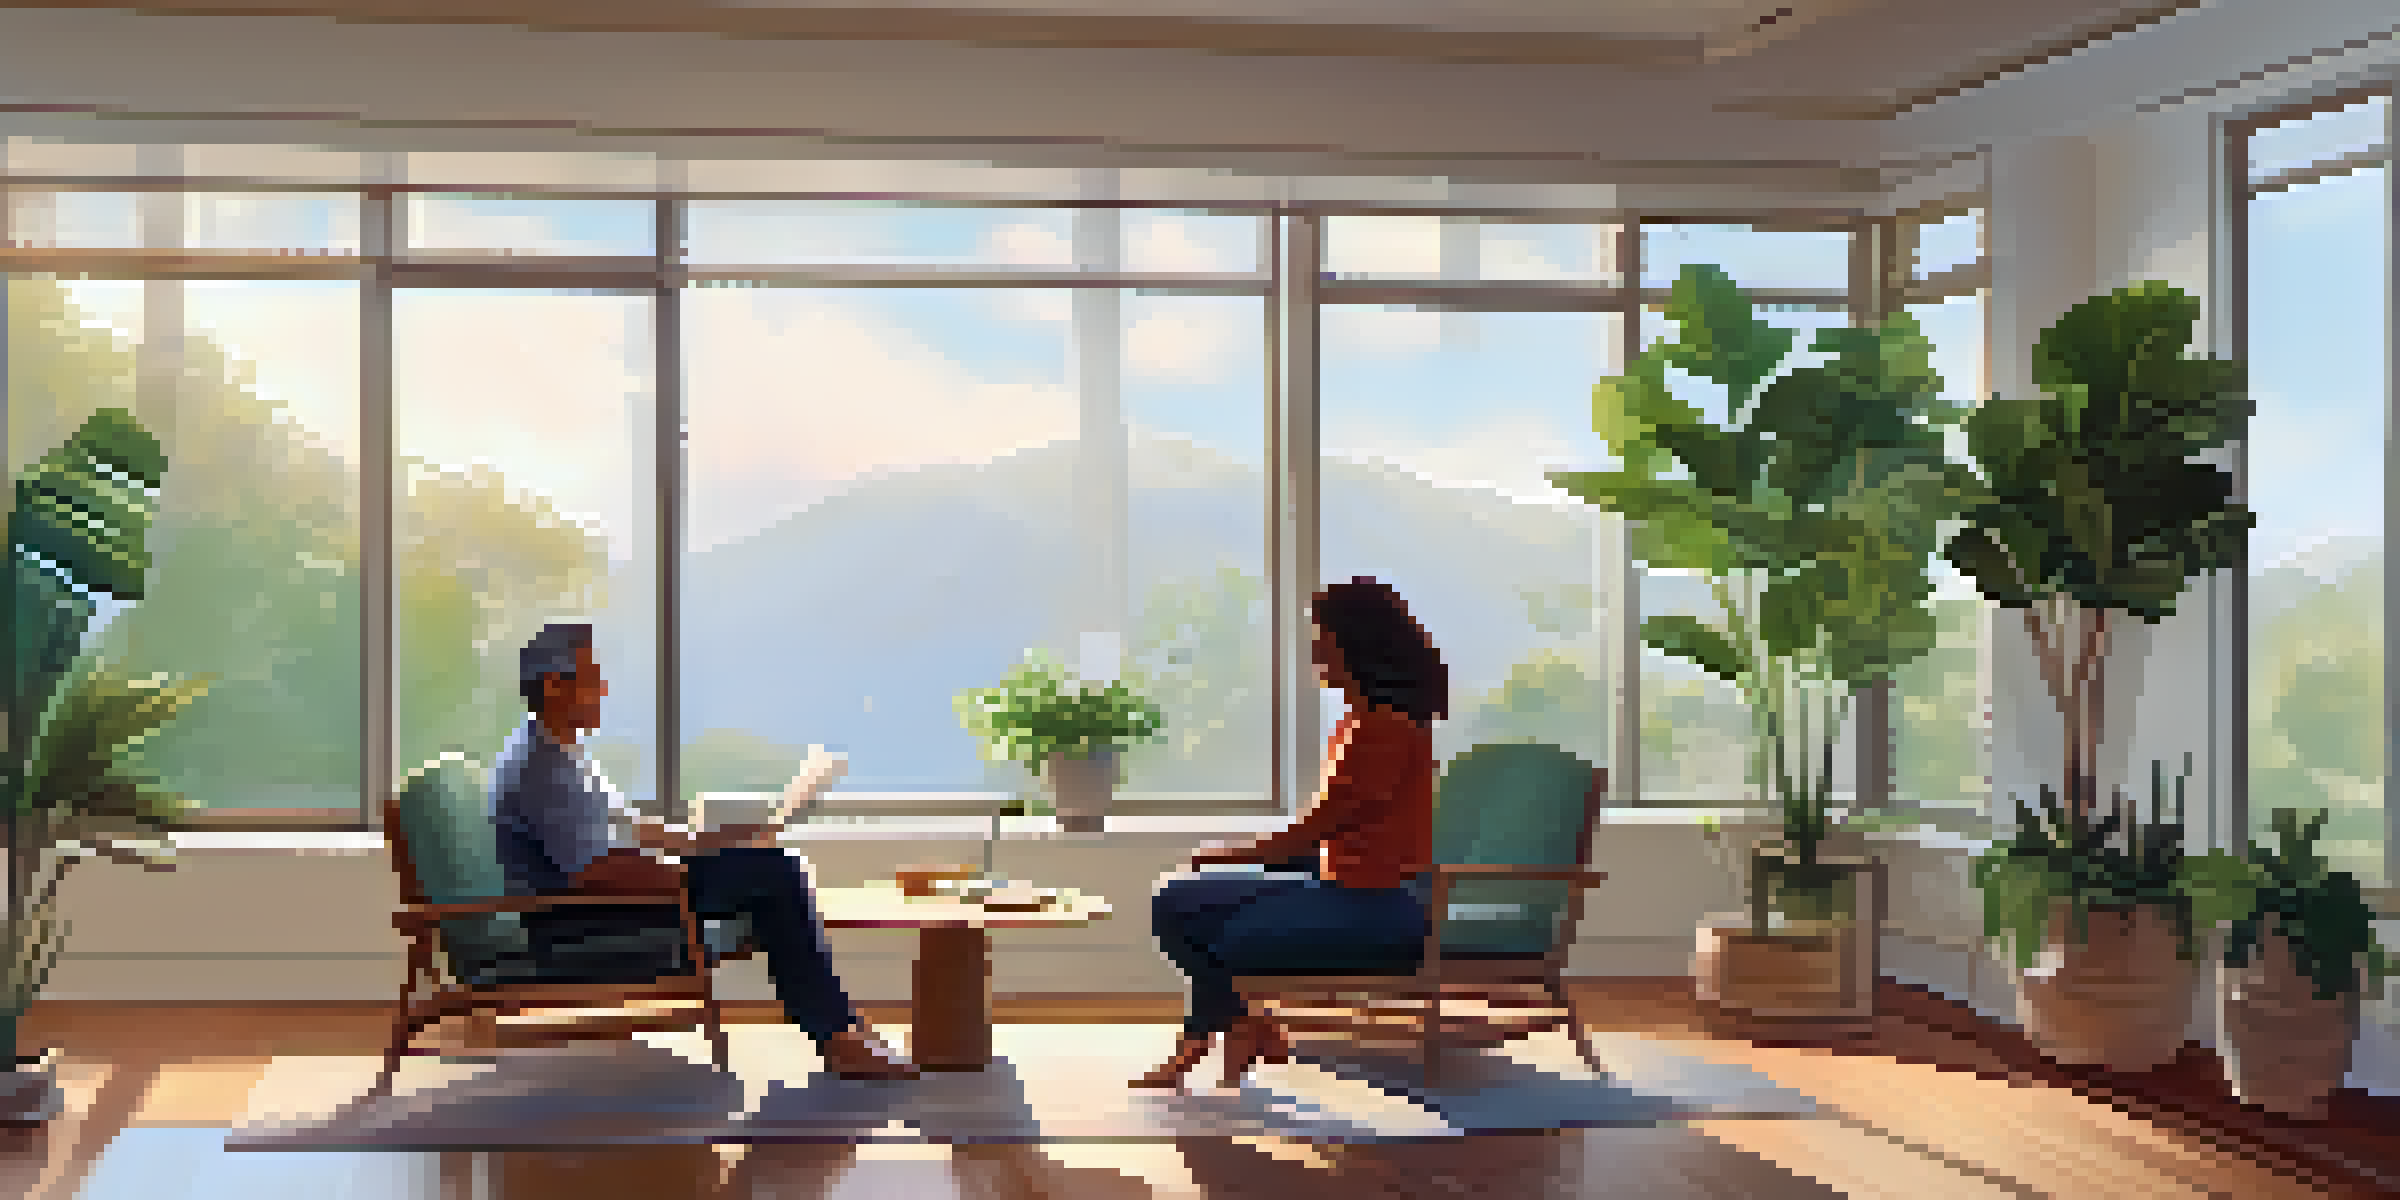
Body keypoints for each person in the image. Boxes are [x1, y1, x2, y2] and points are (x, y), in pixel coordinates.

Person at [488, 622, 917, 1081]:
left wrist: (712, 842)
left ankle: (840, 1028)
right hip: (584, 918)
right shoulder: (543, 767)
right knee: (776, 874)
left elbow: (631, 827)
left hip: (615, 897)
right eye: (593, 678)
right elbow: (594, 872)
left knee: (769, 869)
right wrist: (690, 871)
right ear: (555, 686)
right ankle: (839, 1035)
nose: (605, 689)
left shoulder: (563, 753)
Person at [1134, 577, 1443, 1090]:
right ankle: (1242, 1026)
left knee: (1221, 934)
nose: (1316, 652)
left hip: (1385, 907)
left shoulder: (1386, 729)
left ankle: (1202, 1046)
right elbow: (1327, 834)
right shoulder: (1356, 724)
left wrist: (1235, 855)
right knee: (1174, 901)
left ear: (1357, 648)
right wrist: (1236, 860)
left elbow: (1320, 827)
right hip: (1338, 887)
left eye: (1324, 639)